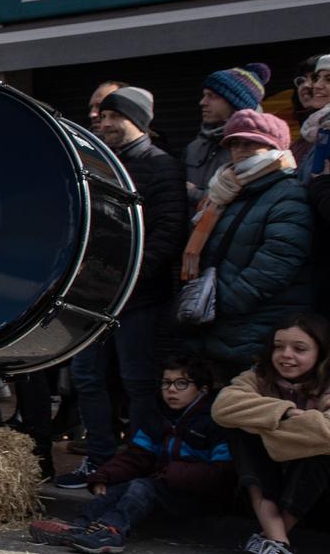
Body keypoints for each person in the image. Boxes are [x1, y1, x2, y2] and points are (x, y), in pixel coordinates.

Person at [56, 85, 187, 488]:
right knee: (87, 376)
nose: (105, 123)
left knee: (138, 381)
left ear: (139, 122)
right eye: (104, 116)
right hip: (90, 298)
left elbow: (168, 233)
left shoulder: (161, 166)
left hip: (137, 299)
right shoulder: (97, 163)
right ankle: (99, 459)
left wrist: (127, 278)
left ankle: (139, 462)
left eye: (115, 116)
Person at [28, 355, 231, 554]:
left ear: (203, 390)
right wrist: (104, 475)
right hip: (166, 486)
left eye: (181, 384)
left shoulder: (214, 421)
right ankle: (79, 526)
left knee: (141, 487)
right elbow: (137, 456)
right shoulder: (158, 417)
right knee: (115, 489)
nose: (171, 389)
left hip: (198, 495)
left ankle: (112, 531)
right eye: (166, 383)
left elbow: (223, 473)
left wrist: (175, 472)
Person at [180, 109, 311, 376]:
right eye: (234, 143)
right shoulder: (226, 191)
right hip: (224, 322)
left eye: (251, 143)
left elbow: (278, 260)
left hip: (256, 320)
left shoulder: (288, 193)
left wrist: (226, 302)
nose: (240, 150)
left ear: (274, 147)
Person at [211, 313, 330, 554]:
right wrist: (285, 412)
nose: (286, 355)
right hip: (266, 479)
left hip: (311, 489)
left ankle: (269, 538)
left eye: (299, 349)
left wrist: (264, 425)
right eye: (279, 346)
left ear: (320, 352)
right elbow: (222, 408)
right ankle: (277, 542)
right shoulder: (259, 375)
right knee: (241, 433)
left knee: (320, 452)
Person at [183, 64, 270, 202]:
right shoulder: (194, 147)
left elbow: (248, 200)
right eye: (204, 95)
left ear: (235, 103)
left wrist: (194, 194)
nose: (202, 102)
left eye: (212, 96)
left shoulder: (255, 147)